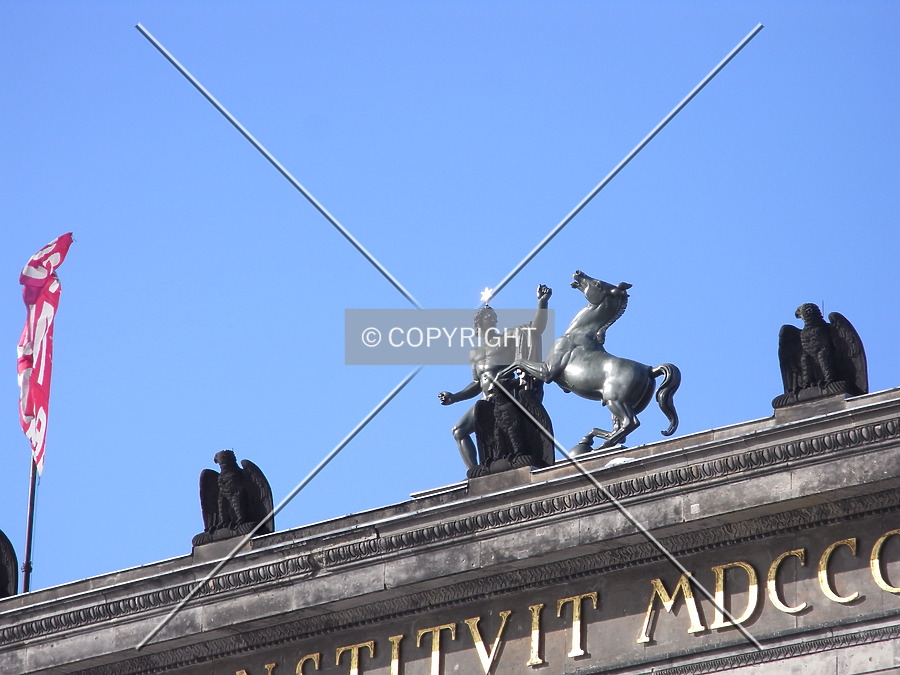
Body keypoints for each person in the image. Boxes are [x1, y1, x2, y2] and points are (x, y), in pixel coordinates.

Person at [438, 285, 552, 470]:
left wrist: (542, 302)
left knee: (513, 436)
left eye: (492, 317)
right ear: (478, 324)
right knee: (459, 431)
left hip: (506, 395)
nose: (490, 318)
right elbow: (477, 383)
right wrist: (454, 397)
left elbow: (535, 329)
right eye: (485, 317)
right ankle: (475, 471)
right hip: (486, 400)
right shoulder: (474, 353)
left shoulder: (507, 338)